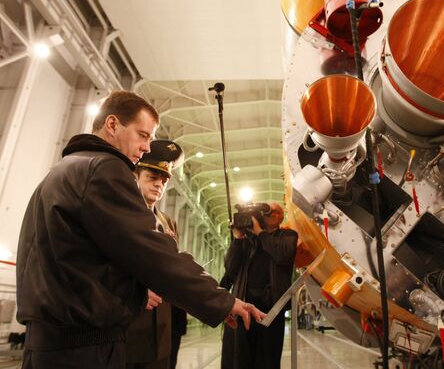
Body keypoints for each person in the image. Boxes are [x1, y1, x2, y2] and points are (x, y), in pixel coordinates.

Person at [16, 91, 264, 369]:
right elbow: (153, 253)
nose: (147, 147)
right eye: (143, 135)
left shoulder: (63, 170)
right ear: (112, 125)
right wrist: (222, 301)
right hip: (84, 347)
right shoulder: (105, 169)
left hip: (48, 342)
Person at [126, 140, 186, 369]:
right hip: (130, 321)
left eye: (163, 180)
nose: (159, 185)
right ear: (136, 177)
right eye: (152, 177)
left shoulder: (167, 221)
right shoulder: (121, 212)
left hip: (161, 325)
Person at [220, 202, 298, 369]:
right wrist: (238, 239)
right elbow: (231, 268)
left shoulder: (288, 235)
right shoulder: (247, 240)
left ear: (281, 217)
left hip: (271, 308)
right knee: (240, 358)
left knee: (267, 359)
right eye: (267, 212)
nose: (271, 214)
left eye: (275, 212)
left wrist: (261, 233)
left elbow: (283, 255)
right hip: (244, 305)